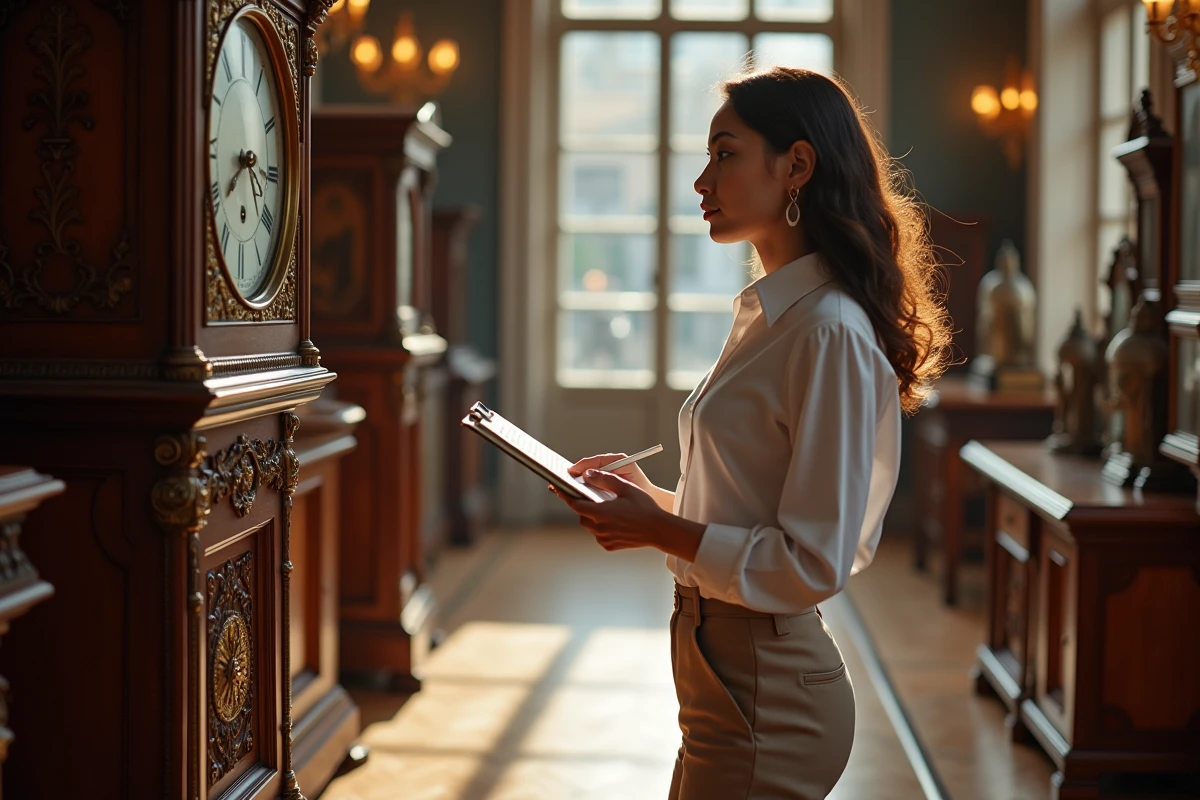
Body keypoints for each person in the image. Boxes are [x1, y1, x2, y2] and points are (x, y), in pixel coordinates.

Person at [549, 66, 951, 799]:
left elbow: (810, 560)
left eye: (725, 154)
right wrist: (653, 502)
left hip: (771, 694)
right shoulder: (774, 318)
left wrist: (658, 531)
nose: (701, 181)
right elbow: (747, 512)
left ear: (796, 166)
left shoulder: (827, 332)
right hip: (723, 677)